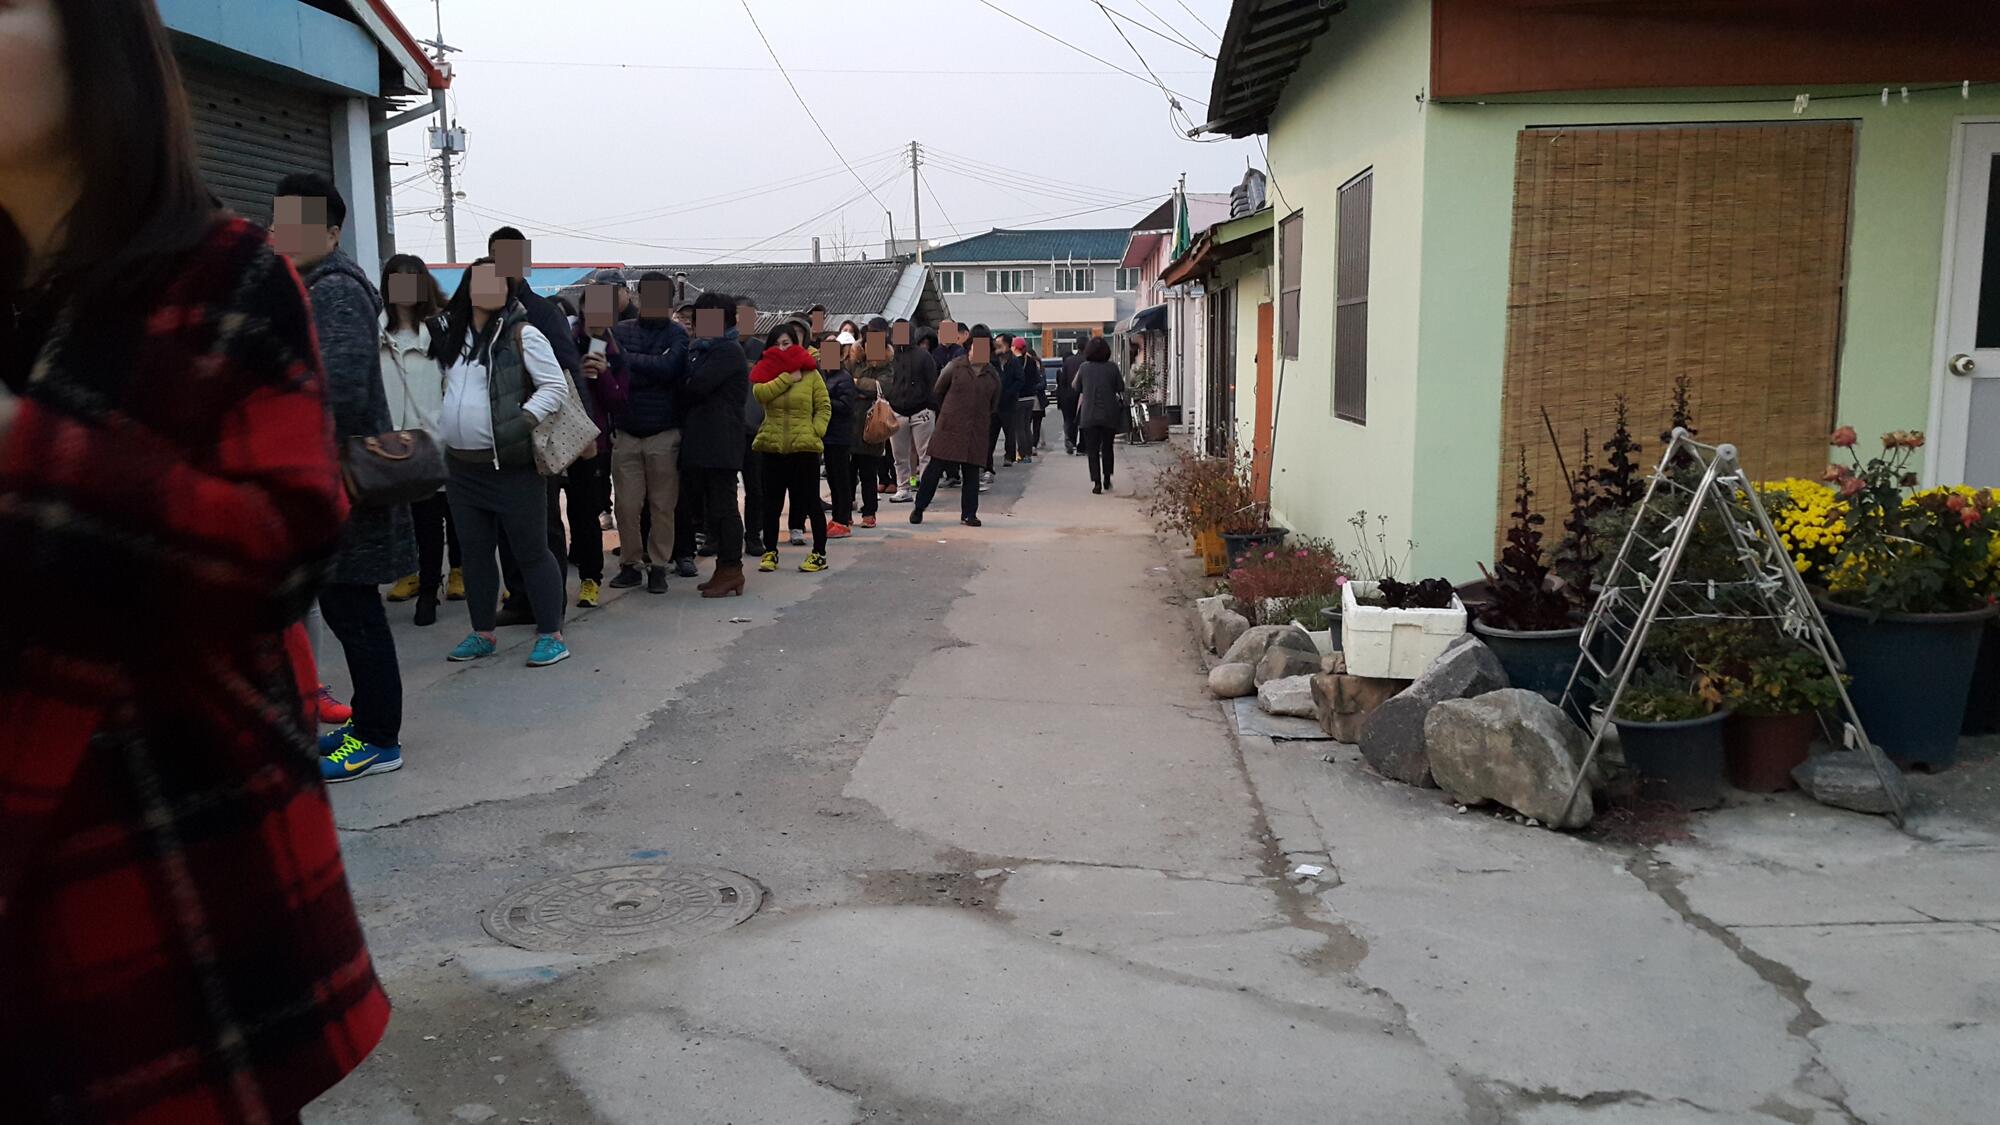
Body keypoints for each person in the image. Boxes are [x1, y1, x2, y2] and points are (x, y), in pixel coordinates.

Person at [0, 2, 387, 1118]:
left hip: (163, 853)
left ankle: (380, 726)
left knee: (361, 613)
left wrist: (20, 446)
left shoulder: (232, 274)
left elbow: (277, 553)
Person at [271, 172, 414, 782]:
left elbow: (340, 388)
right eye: (279, 221)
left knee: (355, 611)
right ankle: (367, 725)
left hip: (342, 483)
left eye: (299, 223)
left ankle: (380, 739)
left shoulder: (335, 290)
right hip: (330, 479)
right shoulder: (309, 286)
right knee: (345, 607)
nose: (283, 233)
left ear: (332, 233)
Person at [433, 258, 574, 668]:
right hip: (462, 467)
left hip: (512, 466)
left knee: (532, 552)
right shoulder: (452, 337)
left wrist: (521, 421)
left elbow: (555, 387)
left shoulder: (524, 334)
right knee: (475, 554)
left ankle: (551, 634)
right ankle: (482, 633)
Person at [485, 226, 583, 626]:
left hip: (537, 434)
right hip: (494, 437)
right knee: (505, 524)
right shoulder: (483, 312)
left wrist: (584, 435)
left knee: (543, 524)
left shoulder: (542, 312)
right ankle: (519, 598)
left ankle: (549, 602)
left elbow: (568, 373)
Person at [594, 273, 687, 595]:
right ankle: (630, 563)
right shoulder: (619, 330)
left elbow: (671, 369)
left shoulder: (678, 334)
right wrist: (647, 367)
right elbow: (607, 369)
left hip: (665, 431)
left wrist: (628, 365)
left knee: (662, 505)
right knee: (626, 505)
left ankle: (659, 566)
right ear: (639, 296)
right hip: (626, 430)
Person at [379, 253, 459, 625]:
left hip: (430, 443)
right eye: (397, 278)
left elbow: (454, 385)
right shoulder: (374, 332)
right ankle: (406, 576)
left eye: (412, 278)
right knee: (396, 523)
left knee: (429, 523)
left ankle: (429, 591)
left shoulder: (440, 332)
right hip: (386, 445)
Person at [682, 291, 752, 598]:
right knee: (712, 509)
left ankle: (732, 569)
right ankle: (723, 569)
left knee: (724, 508)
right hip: (705, 440)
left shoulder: (726, 351)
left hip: (721, 440)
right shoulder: (704, 349)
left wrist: (683, 378)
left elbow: (696, 386)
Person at [751, 333, 831, 573]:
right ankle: (770, 551)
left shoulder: (811, 373)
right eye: (777, 344)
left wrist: (816, 430)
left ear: (796, 345)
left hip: (804, 447)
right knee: (771, 504)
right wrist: (786, 377)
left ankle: (819, 554)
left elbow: (824, 406)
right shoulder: (766, 370)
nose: (782, 348)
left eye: (786, 343)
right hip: (772, 445)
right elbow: (760, 394)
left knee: (811, 502)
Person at [910, 325, 1001, 528]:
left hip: (976, 429)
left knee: (971, 474)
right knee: (934, 469)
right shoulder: (955, 367)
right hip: (949, 427)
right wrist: (949, 412)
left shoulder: (992, 374)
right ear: (969, 347)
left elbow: (994, 403)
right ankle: (919, 507)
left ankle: (969, 514)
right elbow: (938, 391)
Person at [882, 318, 939, 502]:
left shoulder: (924, 356)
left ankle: (926, 490)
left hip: (922, 411)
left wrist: (930, 406)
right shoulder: (890, 357)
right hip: (896, 411)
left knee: (926, 455)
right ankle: (903, 488)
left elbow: (933, 382)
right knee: (899, 455)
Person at [819, 333, 860, 538]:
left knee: (841, 480)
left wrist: (824, 400)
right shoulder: (825, 376)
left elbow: (846, 406)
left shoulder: (843, 378)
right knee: (833, 480)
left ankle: (842, 520)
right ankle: (837, 517)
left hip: (840, 436)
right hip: (828, 435)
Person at [1074, 334, 1126, 494]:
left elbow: (1076, 387)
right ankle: (1107, 478)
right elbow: (1121, 387)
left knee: (1092, 450)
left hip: (1089, 414)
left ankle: (1096, 482)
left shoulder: (1084, 367)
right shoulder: (1112, 367)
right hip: (1109, 414)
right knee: (1108, 447)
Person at [1058, 340, 1086, 455]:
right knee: (1083, 421)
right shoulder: (1087, 361)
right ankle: (1082, 445)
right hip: (1083, 395)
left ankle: (1070, 441)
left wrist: (1061, 398)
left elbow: (1062, 381)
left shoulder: (1068, 361)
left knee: (1069, 420)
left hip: (1068, 395)